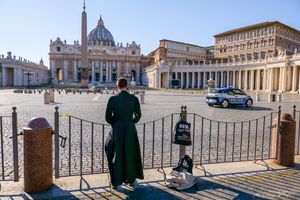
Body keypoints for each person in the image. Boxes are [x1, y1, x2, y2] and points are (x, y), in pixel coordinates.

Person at [105, 77, 144, 190]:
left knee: (117, 154)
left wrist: (115, 123)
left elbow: (107, 117)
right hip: (130, 129)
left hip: (117, 129)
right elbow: (138, 115)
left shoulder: (112, 99)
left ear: (117, 86)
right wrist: (131, 122)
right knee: (130, 154)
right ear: (126, 86)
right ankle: (131, 180)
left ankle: (116, 182)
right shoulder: (134, 99)